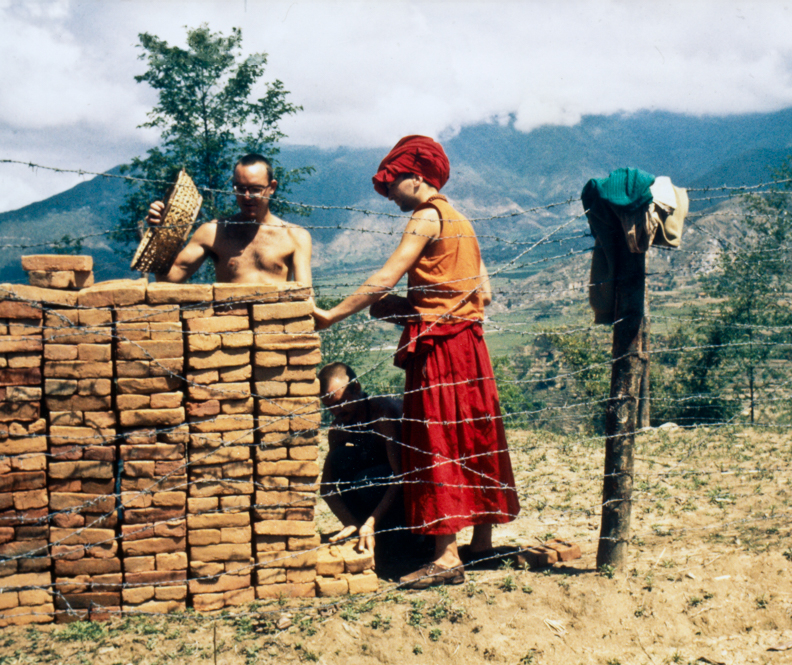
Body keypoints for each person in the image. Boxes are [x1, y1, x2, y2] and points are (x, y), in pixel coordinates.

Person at [314, 135, 519, 588]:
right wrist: (420, 306)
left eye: (392, 183)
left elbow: (387, 276)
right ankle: (481, 543)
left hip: (441, 351)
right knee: (474, 433)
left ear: (417, 177)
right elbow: (481, 293)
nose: (388, 194)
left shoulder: (427, 217)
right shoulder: (462, 221)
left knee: (437, 439)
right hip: (472, 345)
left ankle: (445, 558)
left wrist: (331, 314)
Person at [146, 153, 312, 285]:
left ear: (272, 187)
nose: (247, 197)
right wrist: (161, 235)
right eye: (240, 189)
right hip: (230, 325)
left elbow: (305, 296)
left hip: (275, 325)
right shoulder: (213, 232)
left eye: (255, 189)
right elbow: (168, 279)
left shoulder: (295, 237)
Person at [318, 362, 403, 554]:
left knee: (366, 480)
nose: (336, 412)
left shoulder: (382, 414)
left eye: (340, 403)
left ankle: (395, 533)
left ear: (356, 388)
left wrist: (371, 522)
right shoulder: (339, 428)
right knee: (340, 458)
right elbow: (327, 487)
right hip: (378, 488)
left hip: (406, 489)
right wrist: (349, 521)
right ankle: (361, 529)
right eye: (329, 407)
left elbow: (402, 476)